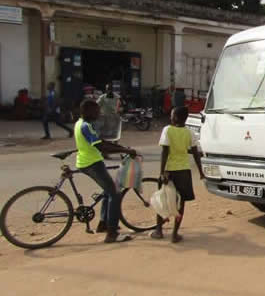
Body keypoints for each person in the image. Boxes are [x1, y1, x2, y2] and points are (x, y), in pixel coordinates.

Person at [75, 100, 137, 243]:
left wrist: (120, 146)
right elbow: (102, 147)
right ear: (89, 111)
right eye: (97, 111)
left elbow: (100, 141)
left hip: (87, 161)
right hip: (92, 164)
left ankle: (103, 223)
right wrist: (125, 150)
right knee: (115, 194)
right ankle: (112, 233)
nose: (99, 113)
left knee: (107, 190)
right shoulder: (85, 126)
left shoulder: (81, 123)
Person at [151, 106, 204, 243]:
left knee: (163, 198)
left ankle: (158, 230)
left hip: (169, 170)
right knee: (181, 203)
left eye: (172, 114)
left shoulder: (167, 130)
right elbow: (195, 154)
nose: (170, 116)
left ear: (175, 117)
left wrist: (162, 172)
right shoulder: (190, 133)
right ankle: (175, 234)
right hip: (184, 171)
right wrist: (201, 172)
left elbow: (165, 152)